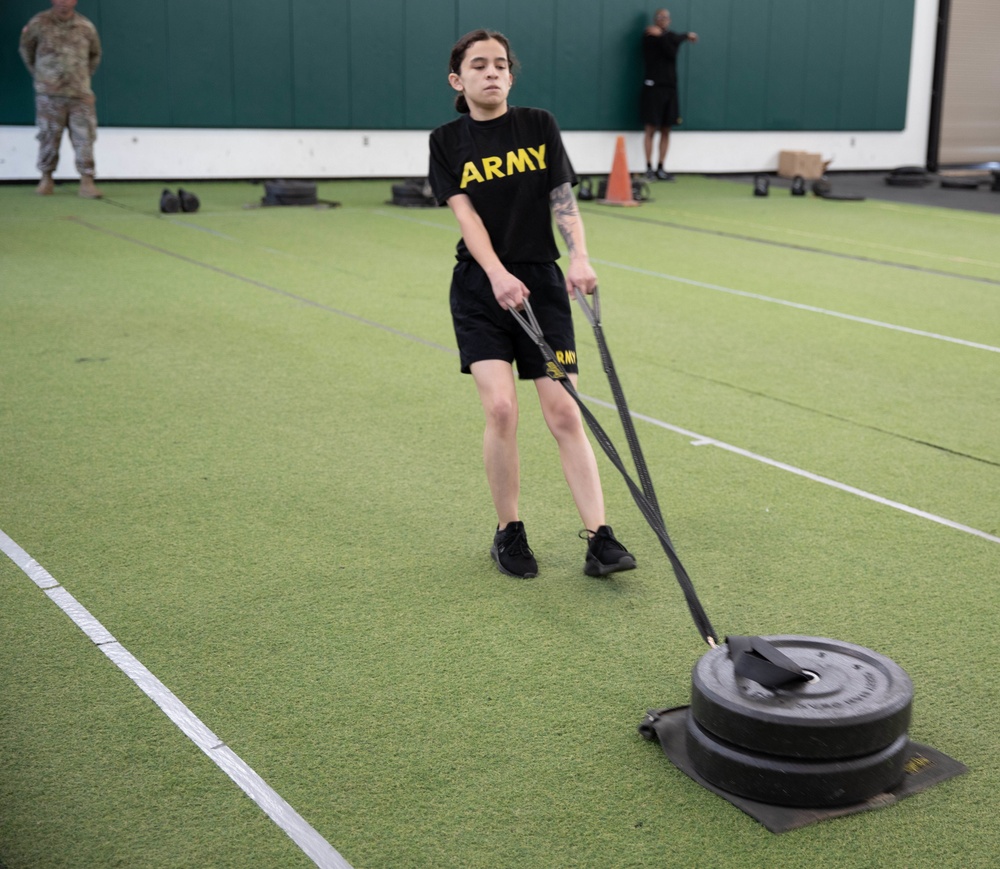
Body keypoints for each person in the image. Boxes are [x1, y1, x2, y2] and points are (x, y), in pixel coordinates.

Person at [428, 29, 636, 581]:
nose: (491, 72)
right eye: (479, 65)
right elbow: (466, 218)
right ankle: (509, 531)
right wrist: (496, 274)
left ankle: (600, 538)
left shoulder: (538, 125)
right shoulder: (446, 141)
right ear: (459, 79)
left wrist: (581, 257)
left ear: (511, 76)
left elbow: (561, 198)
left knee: (564, 410)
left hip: (542, 287)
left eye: (500, 64)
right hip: (480, 287)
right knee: (500, 409)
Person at [19, 0, 103, 198]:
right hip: (49, 94)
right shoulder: (39, 23)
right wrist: (43, 76)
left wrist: (81, 78)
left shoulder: (86, 27)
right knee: (48, 136)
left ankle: (87, 181)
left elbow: (95, 55)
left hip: (80, 94)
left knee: (85, 138)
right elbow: (26, 50)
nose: (64, 2)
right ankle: (46, 178)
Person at [641, 9, 697, 181]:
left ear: (669, 20)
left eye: (665, 18)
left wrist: (687, 35)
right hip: (653, 87)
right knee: (650, 128)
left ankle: (661, 168)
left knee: (666, 129)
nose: (662, 20)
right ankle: (648, 168)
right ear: (655, 20)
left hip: (670, 88)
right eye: (659, 18)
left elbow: (673, 49)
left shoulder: (669, 37)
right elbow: (663, 49)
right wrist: (661, 37)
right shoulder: (649, 37)